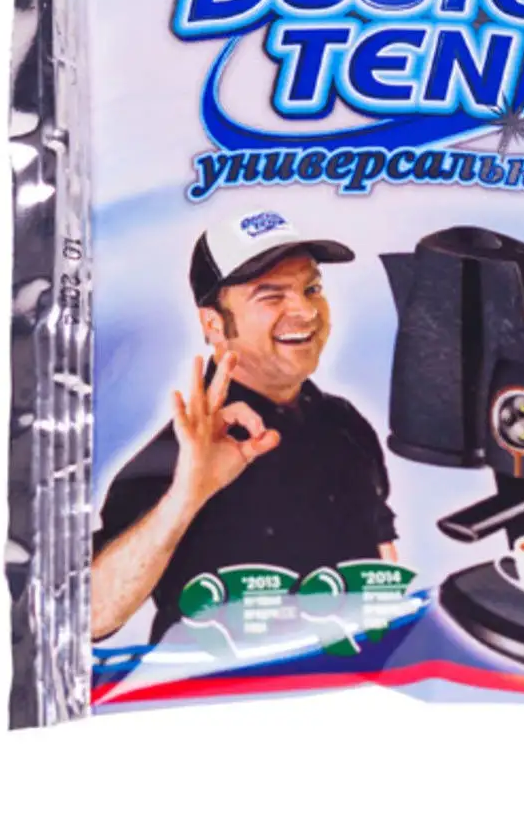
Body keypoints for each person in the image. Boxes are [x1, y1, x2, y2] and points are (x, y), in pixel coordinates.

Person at [91, 210, 398, 643]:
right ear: (214, 324)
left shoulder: (346, 424)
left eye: (311, 289)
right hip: (221, 684)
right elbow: (92, 616)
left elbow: (381, 550)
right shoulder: (175, 457)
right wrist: (186, 496)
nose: (306, 311)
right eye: (271, 296)